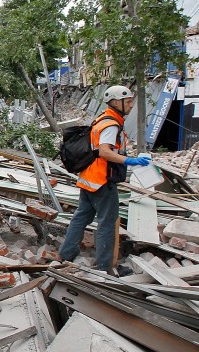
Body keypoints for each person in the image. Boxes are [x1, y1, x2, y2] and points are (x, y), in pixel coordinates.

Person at [59, 85, 151, 275]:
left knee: (81, 216)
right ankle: (104, 267)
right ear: (117, 102)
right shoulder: (111, 124)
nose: (132, 105)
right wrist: (130, 160)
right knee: (107, 223)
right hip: (102, 181)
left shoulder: (103, 119)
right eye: (129, 101)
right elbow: (104, 151)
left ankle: (65, 255)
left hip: (89, 178)